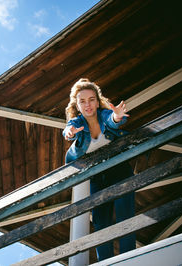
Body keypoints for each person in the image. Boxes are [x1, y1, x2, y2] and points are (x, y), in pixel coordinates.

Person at [63, 78, 135, 261]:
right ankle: (106, 262)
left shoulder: (103, 114)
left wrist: (116, 117)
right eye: (82, 101)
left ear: (97, 101)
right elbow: (67, 130)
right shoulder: (76, 122)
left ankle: (131, 258)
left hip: (119, 169)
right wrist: (69, 133)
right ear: (77, 105)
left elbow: (111, 121)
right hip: (97, 178)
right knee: (101, 222)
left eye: (91, 99)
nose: (88, 105)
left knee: (125, 214)